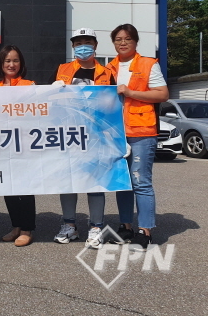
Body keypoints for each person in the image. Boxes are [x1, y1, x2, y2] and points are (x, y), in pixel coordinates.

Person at [49, 28, 115, 249]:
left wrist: (118, 139)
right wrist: (53, 90)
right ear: (73, 46)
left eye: (87, 42)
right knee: (68, 181)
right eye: (78, 43)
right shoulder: (62, 70)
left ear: (95, 45)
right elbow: (47, 101)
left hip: (96, 136)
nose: (83, 46)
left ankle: (96, 227)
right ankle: (69, 225)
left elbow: (115, 107)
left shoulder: (106, 73)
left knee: (95, 182)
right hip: (68, 134)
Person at [106, 24, 168, 250]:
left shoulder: (148, 64)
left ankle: (145, 230)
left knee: (141, 182)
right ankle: (125, 227)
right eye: (118, 39)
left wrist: (131, 92)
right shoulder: (109, 67)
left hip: (141, 132)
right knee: (122, 183)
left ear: (135, 41)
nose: (123, 43)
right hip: (117, 133)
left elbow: (163, 94)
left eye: (127, 39)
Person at [0, 45, 36, 247]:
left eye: (15, 60)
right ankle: (16, 226)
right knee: (8, 187)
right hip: (2, 142)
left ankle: (27, 229)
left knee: (25, 187)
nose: (11, 64)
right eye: (7, 61)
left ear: (21, 63)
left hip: (24, 142)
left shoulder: (30, 85)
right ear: (1, 64)